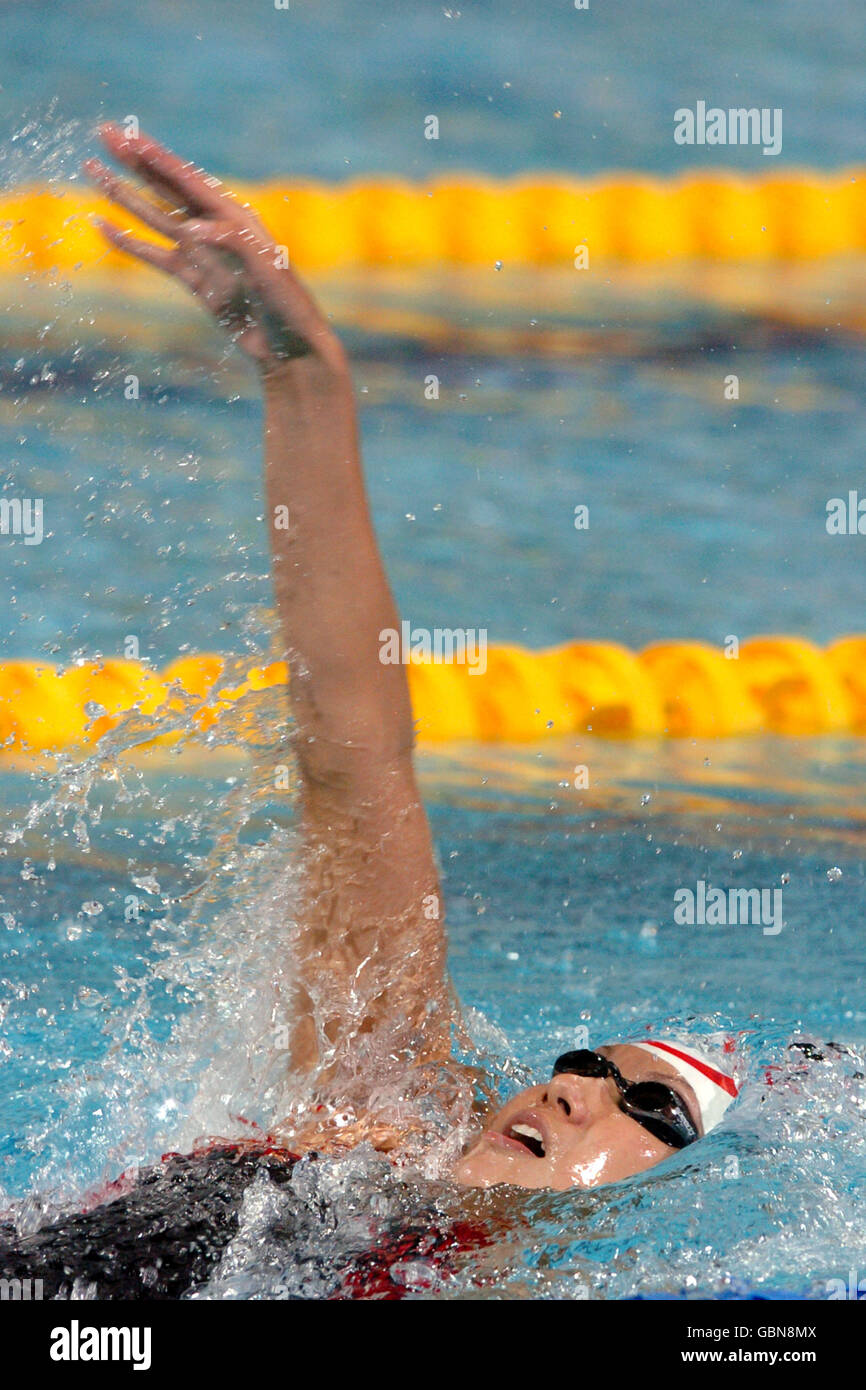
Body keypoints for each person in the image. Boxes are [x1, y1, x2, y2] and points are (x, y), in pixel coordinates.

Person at [75, 123, 743, 1195]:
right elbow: (355, 758)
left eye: (645, 1108)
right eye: (588, 1067)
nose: (573, 1090)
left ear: (672, 1190)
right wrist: (306, 376)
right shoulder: (376, 1129)